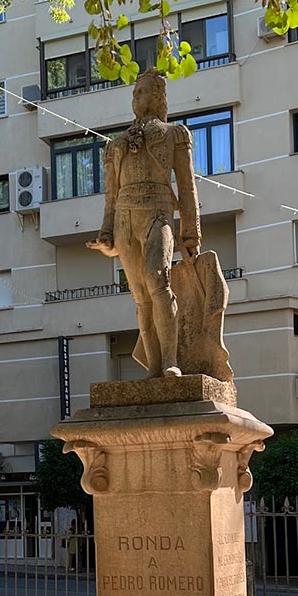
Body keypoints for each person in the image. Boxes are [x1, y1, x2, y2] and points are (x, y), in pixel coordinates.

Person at [88, 69, 200, 379]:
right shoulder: (115, 144)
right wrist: (106, 233)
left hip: (158, 213)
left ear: (160, 96)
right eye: (136, 94)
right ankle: (153, 368)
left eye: (145, 92)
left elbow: (188, 188)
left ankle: (170, 360)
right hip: (124, 219)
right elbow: (110, 195)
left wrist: (190, 234)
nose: (139, 99)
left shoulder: (175, 134)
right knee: (139, 295)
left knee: (157, 278)